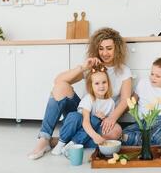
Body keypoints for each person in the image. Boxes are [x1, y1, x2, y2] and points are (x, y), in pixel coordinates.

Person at [28, 27, 132, 159]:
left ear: (117, 48)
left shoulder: (124, 71)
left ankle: (61, 141)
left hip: (102, 118)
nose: (104, 53)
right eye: (101, 48)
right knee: (61, 87)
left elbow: (125, 100)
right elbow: (58, 81)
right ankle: (44, 139)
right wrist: (83, 67)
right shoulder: (93, 67)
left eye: (109, 48)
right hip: (81, 115)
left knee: (116, 132)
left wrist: (111, 118)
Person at [51, 64, 115, 155]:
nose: (101, 86)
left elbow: (107, 123)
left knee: (97, 122)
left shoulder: (111, 102)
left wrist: (103, 119)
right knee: (75, 116)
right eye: (97, 83)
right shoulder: (89, 98)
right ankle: (61, 142)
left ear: (108, 83)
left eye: (104, 82)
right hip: (77, 127)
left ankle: (73, 144)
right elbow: (85, 122)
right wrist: (95, 136)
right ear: (91, 85)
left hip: (86, 134)